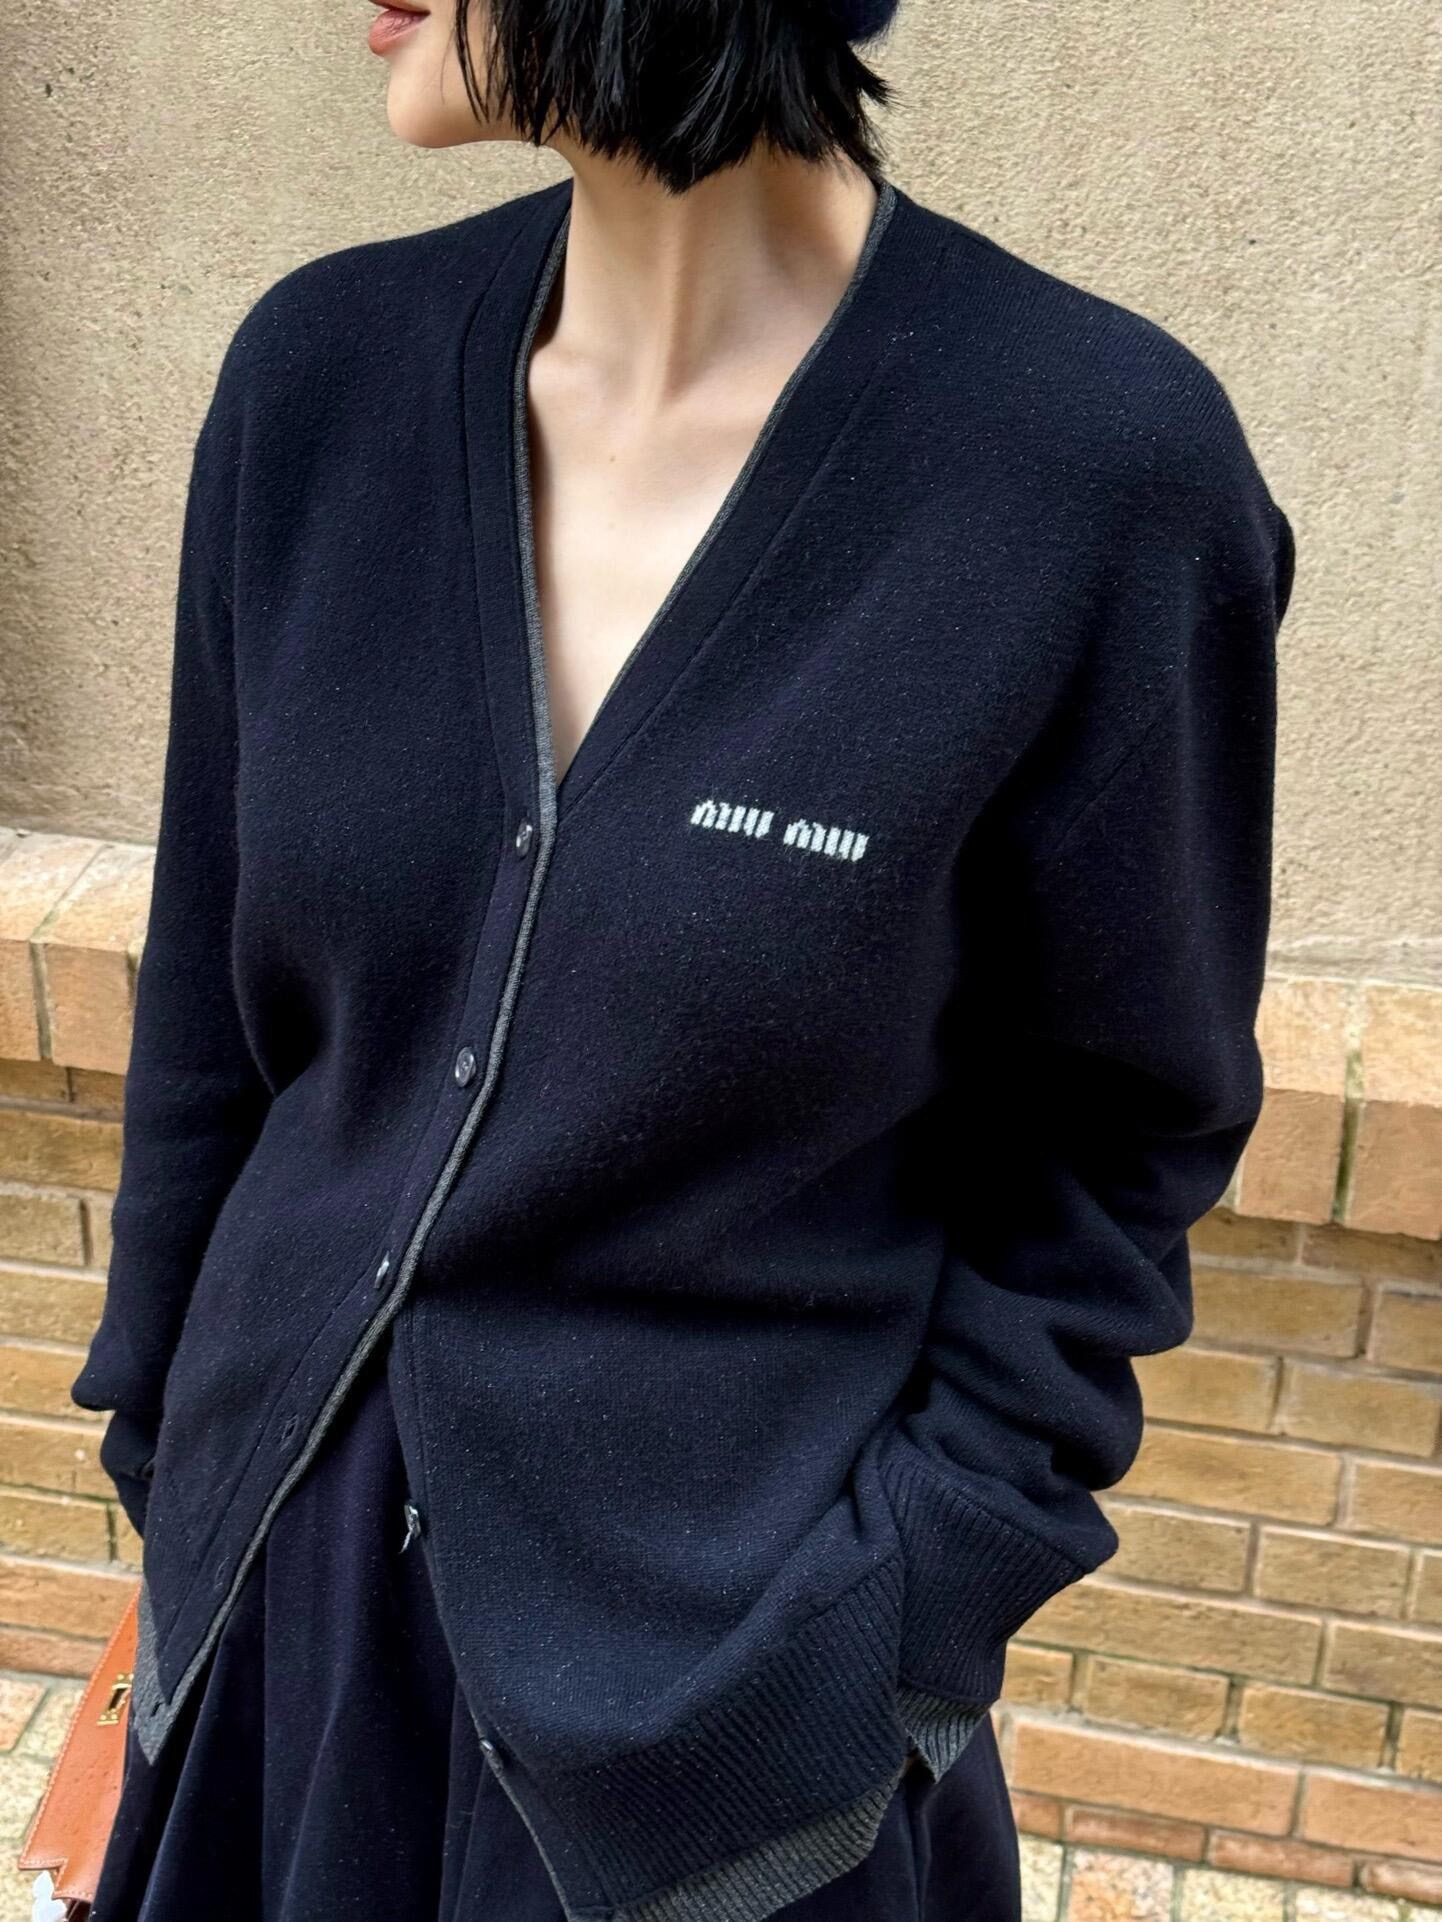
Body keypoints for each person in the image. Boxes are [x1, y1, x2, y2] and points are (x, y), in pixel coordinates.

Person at [65, 0, 1296, 1917]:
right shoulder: (316, 383)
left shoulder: (1092, 474)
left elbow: (1117, 1135)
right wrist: (172, 1458)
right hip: (277, 1653)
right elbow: (213, 1024)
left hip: (730, 1742)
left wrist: (882, 1636)